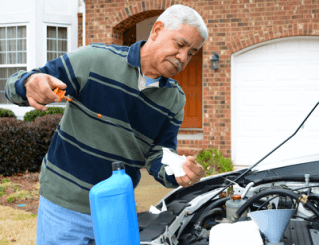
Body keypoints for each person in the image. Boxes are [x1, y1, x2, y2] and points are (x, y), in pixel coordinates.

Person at [5, 4, 208, 245]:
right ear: (156, 30)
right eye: (180, 45)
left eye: (192, 52)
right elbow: (14, 85)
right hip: (65, 208)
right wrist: (30, 82)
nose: (183, 58)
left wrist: (178, 172)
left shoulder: (175, 99)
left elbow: (158, 155)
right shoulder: (94, 60)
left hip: (118, 210)